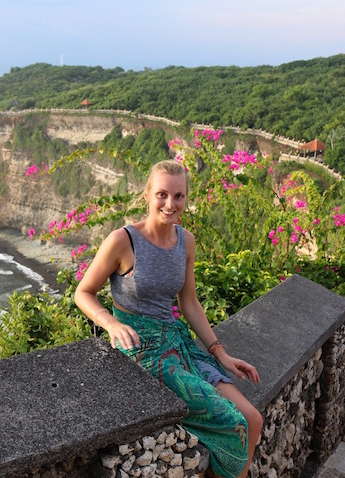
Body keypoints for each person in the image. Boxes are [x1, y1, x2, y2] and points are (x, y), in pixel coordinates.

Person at [74, 159, 263, 478]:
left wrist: (221, 353)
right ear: (147, 194)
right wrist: (111, 323)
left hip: (177, 343)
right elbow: (84, 292)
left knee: (253, 420)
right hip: (143, 351)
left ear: (186, 198)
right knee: (233, 423)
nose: (170, 203)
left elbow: (188, 302)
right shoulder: (124, 241)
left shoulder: (185, 241)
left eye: (178, 196)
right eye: (162, 194)